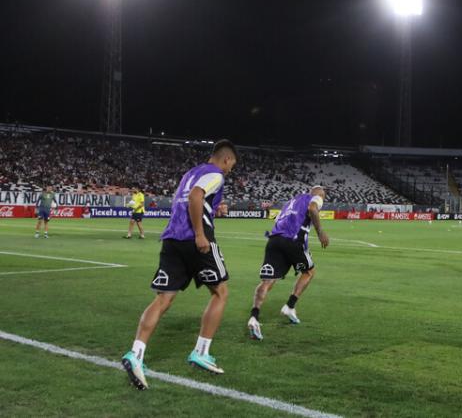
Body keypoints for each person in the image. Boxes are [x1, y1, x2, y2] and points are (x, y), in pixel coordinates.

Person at [121, 140, 238, 390]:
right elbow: (196, 196)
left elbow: (185, 200)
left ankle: (136, 354)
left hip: (172, 239)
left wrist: (212, 210)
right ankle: (201, 352)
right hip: (196, 241)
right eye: (232, 165)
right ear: (226, 159)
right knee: (220, 292)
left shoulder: (190, 173)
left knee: (163, 299)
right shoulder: (215, 174)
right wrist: (199, 233)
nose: (230, 170)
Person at [247, 186, 329, 341]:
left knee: (268, 281)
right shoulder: (315, 197)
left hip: (274, 240)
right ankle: (290, 306)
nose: (323, 198)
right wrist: (320, 232)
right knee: (309, 272)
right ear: (318, 193)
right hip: (293, 241)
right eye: (323, 195)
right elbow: (313, 209)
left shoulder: (291, 202)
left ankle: (254, 317)